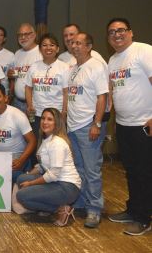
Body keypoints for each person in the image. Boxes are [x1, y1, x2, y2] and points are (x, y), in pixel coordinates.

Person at [106, 17, 152, 236]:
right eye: (112, 32)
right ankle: (133, 210)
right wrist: (115, 122)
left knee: (144, 172)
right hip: (124, 125)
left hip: (144, 124)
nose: (117, 35)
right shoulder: (113, 60)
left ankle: (144, 218)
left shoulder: (143, 51)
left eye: (121, 30)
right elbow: (116, 93)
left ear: (131, 32)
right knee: (132, 171)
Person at [67, 32, 108, 229]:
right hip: (73, 126)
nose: (75, 46)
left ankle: (95, 208)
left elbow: (102, 97)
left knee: (92, 170)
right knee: (80, 168)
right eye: (73, 43)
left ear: (89, 46)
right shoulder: (74, 68)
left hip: (88, 126)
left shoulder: (96, 66)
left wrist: (97, 123)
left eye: (79, 43)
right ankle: (83, 202)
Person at [16, 108, 81, 227]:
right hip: (57, 183)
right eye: (43, 118)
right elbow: (41, 167)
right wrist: (28, 176)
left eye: (50, 119)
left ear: (57, 123)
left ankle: (61, 209)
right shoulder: (47, 140)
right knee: (21, 178)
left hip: (67, 186)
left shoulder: (57, 143)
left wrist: (31, 184)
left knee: (22, 196)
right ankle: (51, 206)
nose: (45, 122)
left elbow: (53, 174)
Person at [0, 83, 37, 183]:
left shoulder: (18, 115)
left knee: (14, 181)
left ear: (5, 98)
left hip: (17, 160)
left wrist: (21, 160)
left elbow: (32, 141)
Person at [25, 33, 69, 139]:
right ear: (40, 49)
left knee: (56, 144)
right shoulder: (34, 67)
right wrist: (30, 105)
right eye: (44, 45)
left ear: (57, 49)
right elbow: (28, 87)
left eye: (52, 45)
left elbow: (66, 92)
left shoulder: (64, 67)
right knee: (38, 145)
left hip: (56, 115)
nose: (48, 48)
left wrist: (64, 112)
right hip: (37, 114)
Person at [8, 23, 42, 113]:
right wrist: (10, 76)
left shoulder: (41, 51)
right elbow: (15, 77)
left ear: (34, 35)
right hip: (17, 102)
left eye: (26, 34)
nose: (23, 37)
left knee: (34, 127)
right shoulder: (17, 53)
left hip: (33, 103)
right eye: (20, 35)